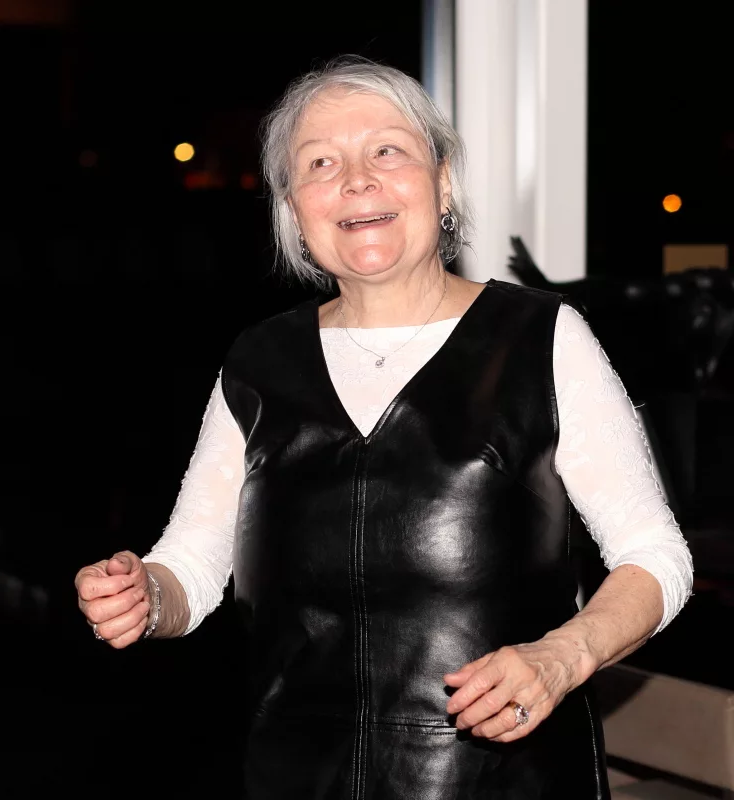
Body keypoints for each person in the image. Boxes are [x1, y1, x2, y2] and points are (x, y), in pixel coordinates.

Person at [74, 58, 693, 799]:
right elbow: (193, 567)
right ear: (293, 209)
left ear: (443, 182)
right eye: (320, 163)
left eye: (387, 150)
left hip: (500, 782)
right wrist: (145, 594)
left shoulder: (541, 339)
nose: (356, 180)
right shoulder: (259, 360)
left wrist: (562, 656)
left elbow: (656, 556)